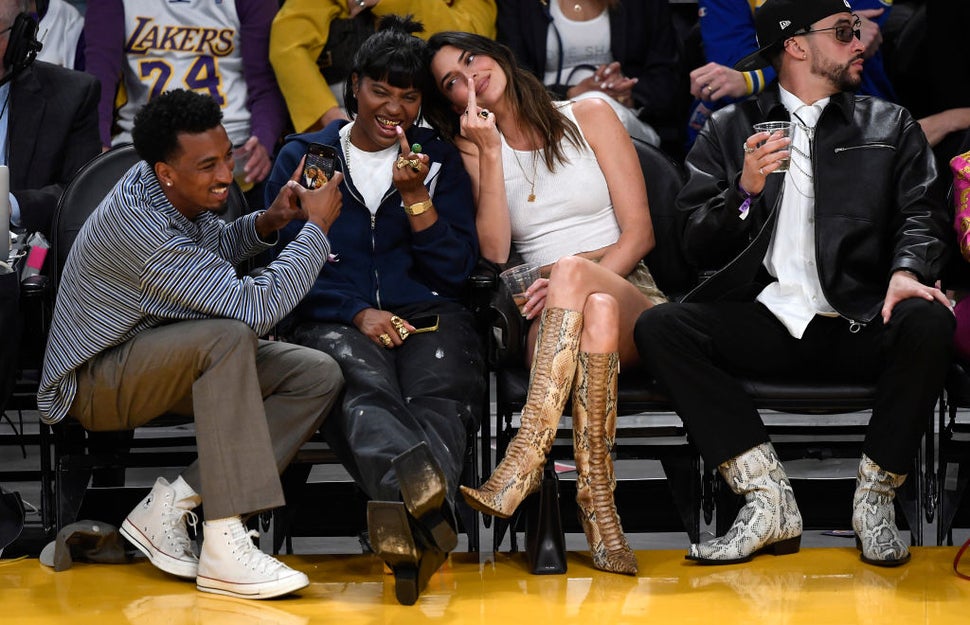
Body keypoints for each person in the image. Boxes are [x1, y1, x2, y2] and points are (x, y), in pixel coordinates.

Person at [634, 0, 952, 567]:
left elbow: (923, 216)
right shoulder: (728, 129)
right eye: (845, 32)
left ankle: (876, 501)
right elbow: (692, 245)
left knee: (928, 318)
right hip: (768, 320)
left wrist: (906, 273)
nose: (861, 43)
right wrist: (744, 192)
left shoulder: (890, 123)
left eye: (858, 31)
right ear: (797, 45)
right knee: (663, 326)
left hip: (858, 316)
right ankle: (765, 498)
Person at [37, 89, 346, 599]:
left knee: (315, 374)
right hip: (93, 380)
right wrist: (315, 230)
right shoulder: (143, 229)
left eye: (227, 157)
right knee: (229, 338)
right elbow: (256, 309)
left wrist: (270, 222)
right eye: (208, 166)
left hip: (156, 354)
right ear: (167, 171)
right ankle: (225, 541)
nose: (226, 175)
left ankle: (171, 506)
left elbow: (205, 253)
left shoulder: (158, 184)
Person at [425, 30, 667, 576]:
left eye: (472, 59)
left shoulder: (589, 113)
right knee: (592, 314)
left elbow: (640, 233)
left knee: (590, 289)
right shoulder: (471, 147)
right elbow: (494, 250)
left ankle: (524, 458)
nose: (471, 77)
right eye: (453, 81)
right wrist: (489, 153)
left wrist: (575, 274)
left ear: (498, 52)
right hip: (544, 311)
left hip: (630, 287)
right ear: (450, 101)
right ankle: (600, 511)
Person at [266, 16, 484, 606]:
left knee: (437, 394)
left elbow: (457, 268)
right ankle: (429, 527)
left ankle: (407, 529)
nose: (393, 106)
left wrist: (416, 199)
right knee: (358, 383)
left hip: (430, 315)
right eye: (380, 90)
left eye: (408, 95)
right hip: (334, 319)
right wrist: (358, 312)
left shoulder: (438, 161)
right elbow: (285, 265)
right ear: (354, 86)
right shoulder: (305, 156)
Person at [0, 0, 99, 415]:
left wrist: (7, 205)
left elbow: (79, 194)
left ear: (23, 33)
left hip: (24, 260)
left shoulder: (73, 94)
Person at [83, 0, 286, 199]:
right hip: (143, 147)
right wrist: (98, 145)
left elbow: (265, 82)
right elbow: (99, 79)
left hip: (231, 143)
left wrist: (263, 140)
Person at [686, 0, 895, 147]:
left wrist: (751, 77)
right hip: (762, 109)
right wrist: (751, 78)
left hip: (855, 98)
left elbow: (845, 46)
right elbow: (732, 65)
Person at [270, 0, 497, 134]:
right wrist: (330, 117)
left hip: (443, 118)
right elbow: (287, 46)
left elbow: (470, 39)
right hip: (348, 115)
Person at [496, 0, 681, 147]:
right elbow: (514, 80)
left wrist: (628, 94)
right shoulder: (519, 4)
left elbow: (668, 80)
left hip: (626, 116)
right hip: (545, 115)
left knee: (599, 107)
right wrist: (570, 93)